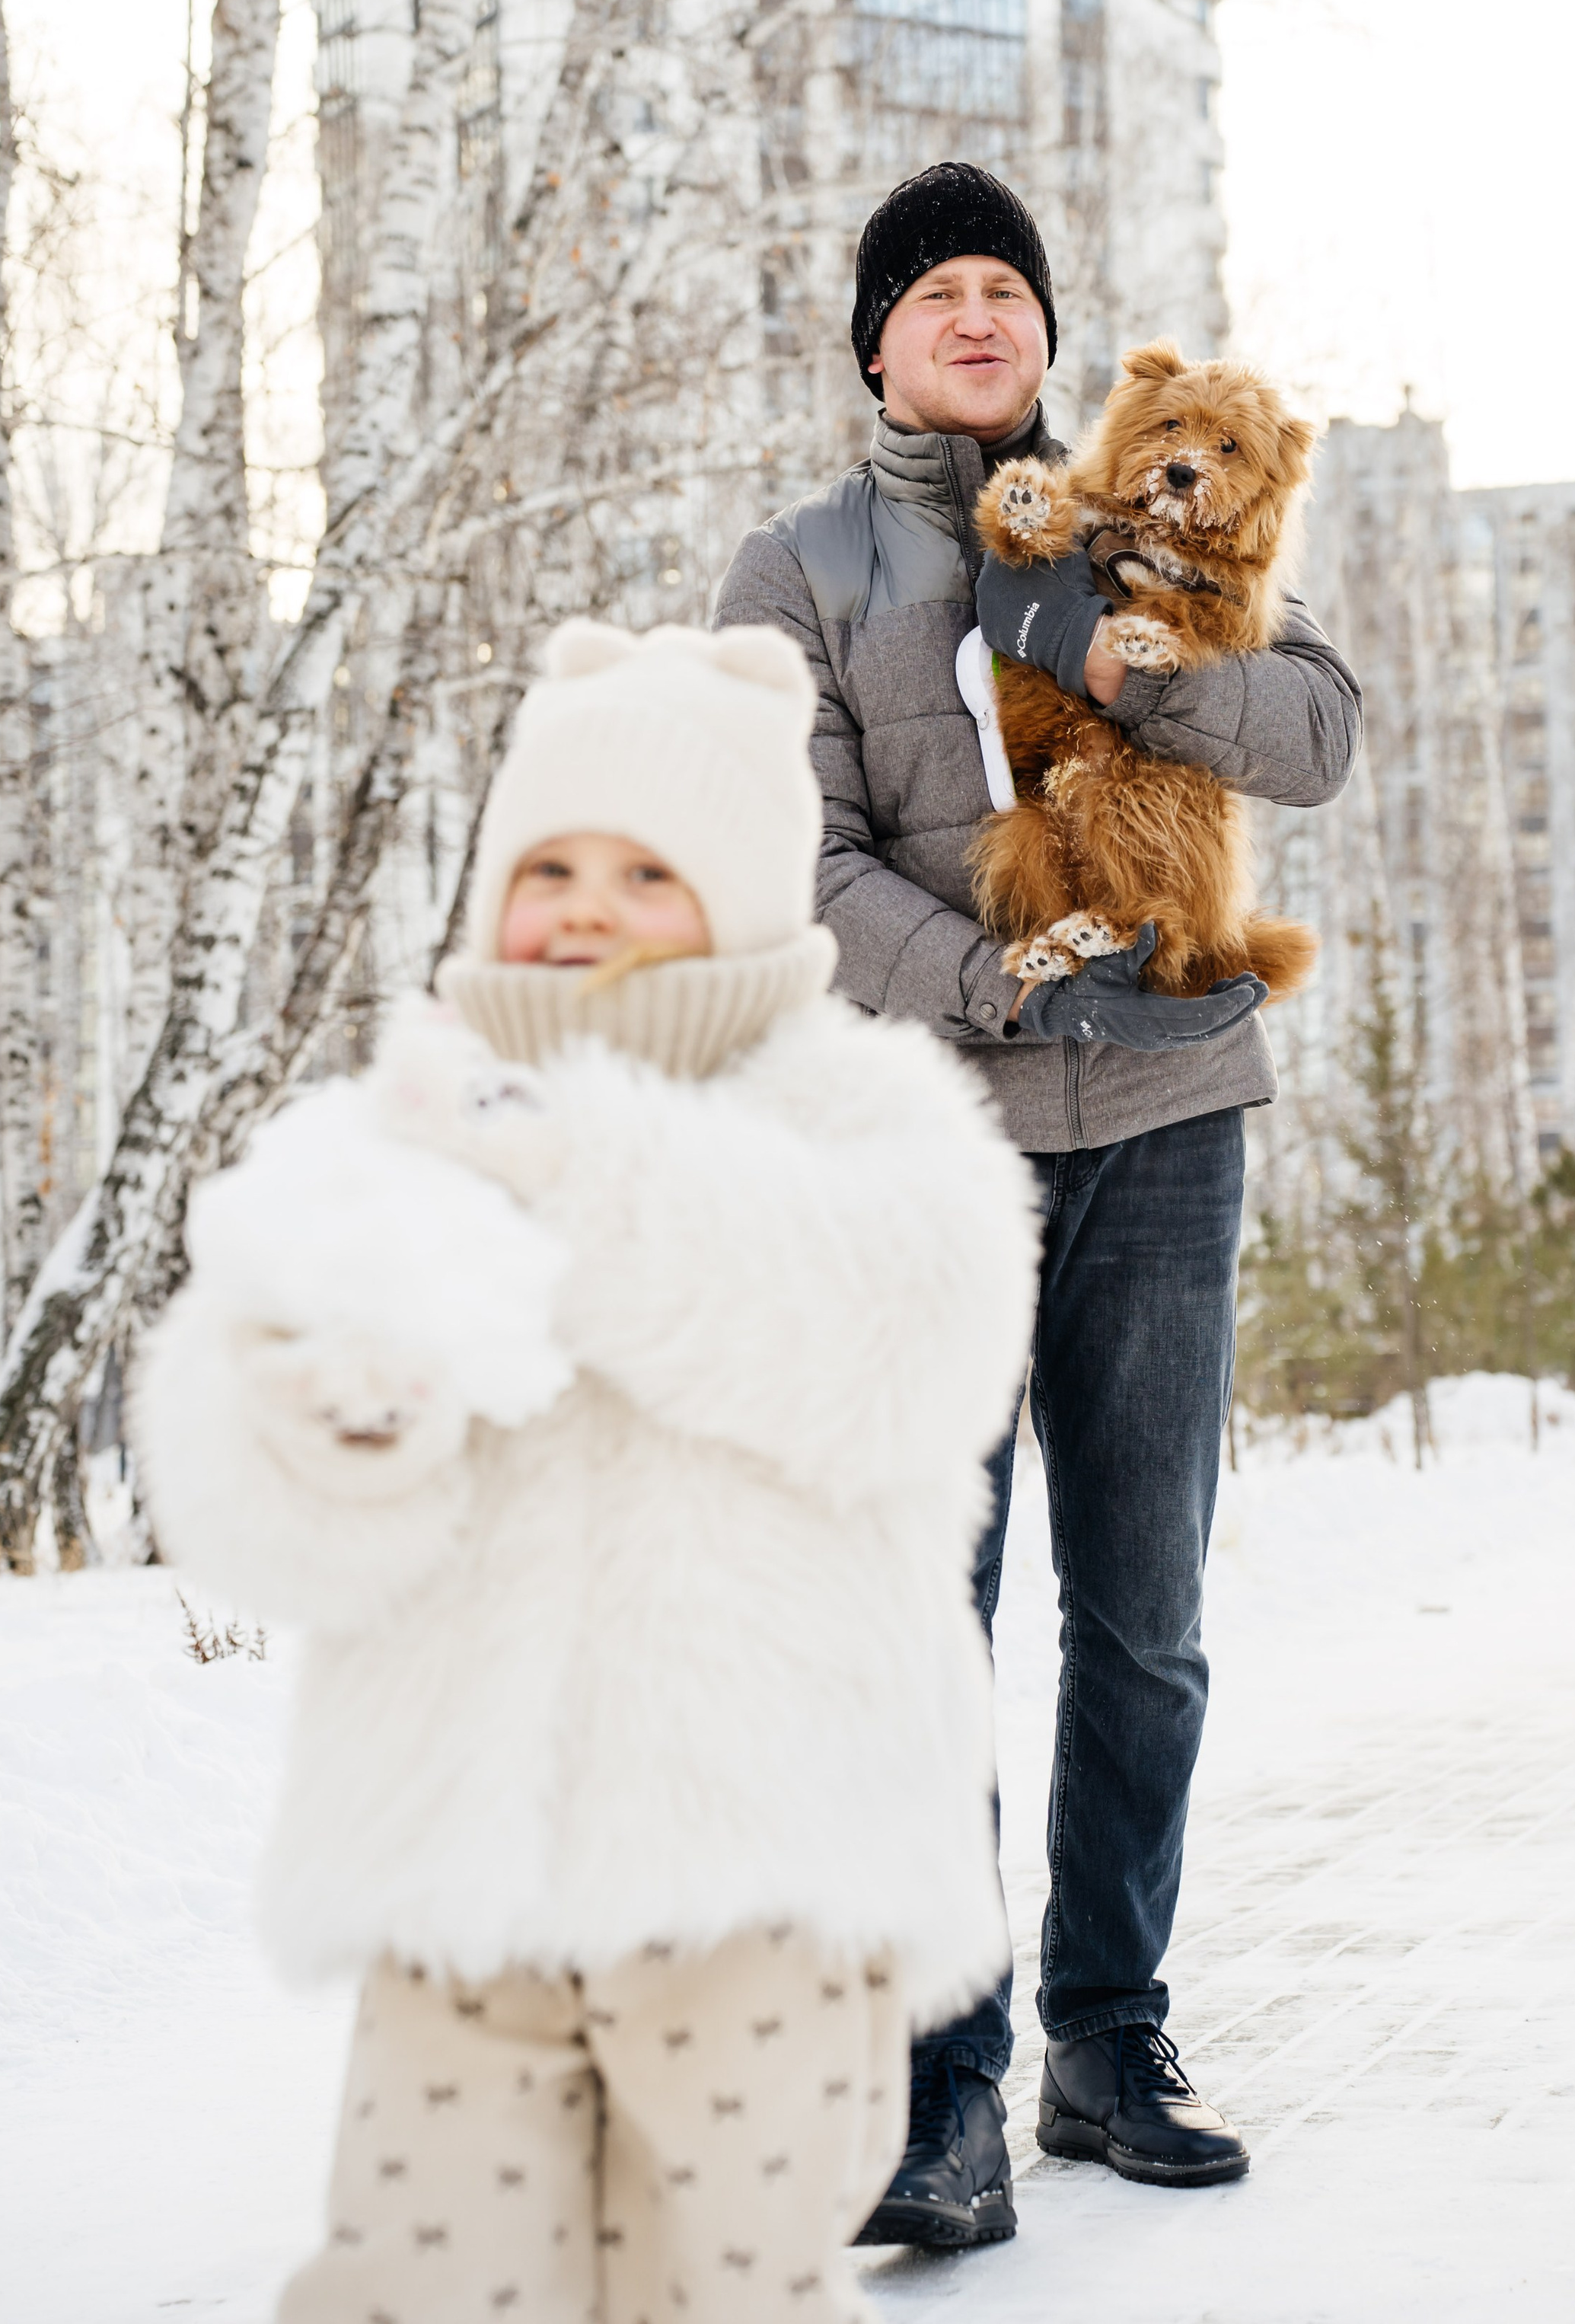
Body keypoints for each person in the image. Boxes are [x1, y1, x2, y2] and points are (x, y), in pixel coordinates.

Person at [133, 619, 1038, 2323]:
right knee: (424, 2275)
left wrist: (582, 1173)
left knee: (725, 2278)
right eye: (549, 866)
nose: (587, 908)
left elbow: (904, 1355)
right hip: (462, 1873)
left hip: (763, 1872)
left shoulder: (861, 1113)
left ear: (747, 892)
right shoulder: (400, 1128)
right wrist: (332, 1427)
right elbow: (248, 1493)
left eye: (647, 872)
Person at [716, 161, 1362, 2248]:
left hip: (1167, 1121)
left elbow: (1316, 732)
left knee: (1144, 1619)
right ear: (877, 344)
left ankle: (1107, 2038)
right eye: (937, 292)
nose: (979, 314)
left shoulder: (1148, 503)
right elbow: (789, 858)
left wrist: (1111, 650)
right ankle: (941, 2099)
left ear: (1049, 334)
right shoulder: (798, 569)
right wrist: (998, 981)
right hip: (925, 1147)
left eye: (1007, 286)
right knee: (930, 1625)